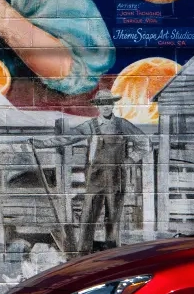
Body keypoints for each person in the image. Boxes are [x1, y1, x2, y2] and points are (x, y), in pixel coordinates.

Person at [32, 89, 151, 251]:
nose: (106, 107)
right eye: (102, 104)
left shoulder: (122, 124)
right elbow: (68, 137)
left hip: (117, 178)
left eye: (109, 103)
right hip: (95, 177)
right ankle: (83, 253)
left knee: (113, 219)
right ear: (98, 107)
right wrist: (41, 143)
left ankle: (111, 254)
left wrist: (130, 159)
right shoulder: (91, 125)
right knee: (88, 216)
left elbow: (144, 142)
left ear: (113, 104)